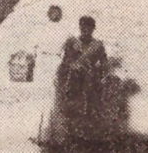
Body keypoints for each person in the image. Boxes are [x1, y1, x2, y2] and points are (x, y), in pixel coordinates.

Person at [45, 16, 108, 148]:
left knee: (89, 110)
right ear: (80, 28)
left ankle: (86, 139)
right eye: (83, 27)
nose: (85, 30)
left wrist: (97, 74)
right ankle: (69, 137)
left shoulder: (98, 46)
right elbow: (65, 62)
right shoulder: (72, 43)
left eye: (88, 28)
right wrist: (72, 66)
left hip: (90, 83)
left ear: (93, 29)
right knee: (71, 108)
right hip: (73, 82)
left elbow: (104, 65)